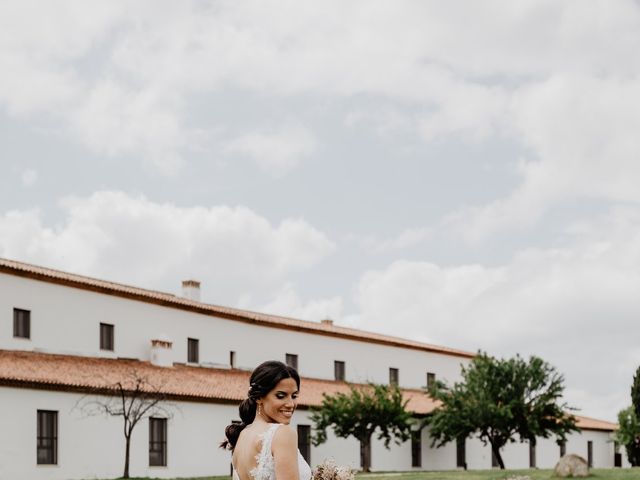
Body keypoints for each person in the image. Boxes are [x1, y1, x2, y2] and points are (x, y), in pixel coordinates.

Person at [221, 360, 312, 480]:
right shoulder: (283, 433)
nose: (291, 404)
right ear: (259, 397)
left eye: (294, 396)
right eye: (280, 396)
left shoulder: (242, 436)